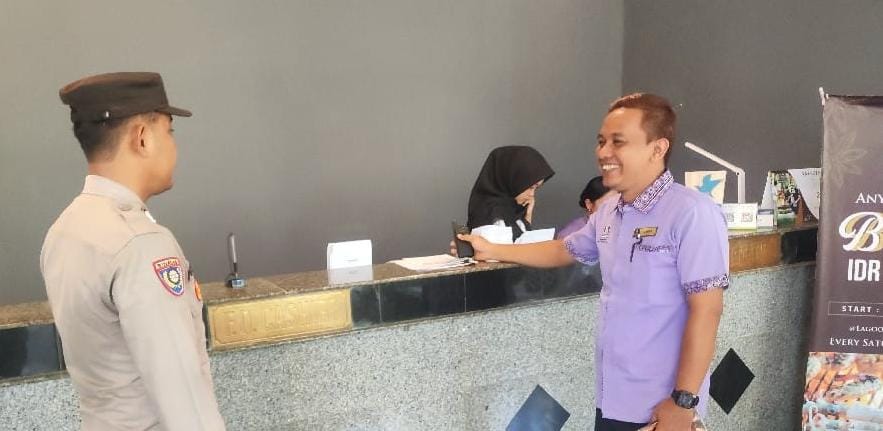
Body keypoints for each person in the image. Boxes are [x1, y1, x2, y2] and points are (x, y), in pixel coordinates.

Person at [456, 93, 728, 431]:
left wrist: (683, 402)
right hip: (613, 397)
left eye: (618, 142)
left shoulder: (693, 213)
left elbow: (707, 311)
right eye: (601, 141)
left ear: (657, 149)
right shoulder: (609, 210)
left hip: (664, 406)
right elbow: (564, 249)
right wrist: (492, 250)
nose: (603, 152)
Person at [40, 72, 226, 430]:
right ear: (142, 137)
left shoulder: (64, 230)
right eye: (169, 131)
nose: (174, 145)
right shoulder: (141, 244)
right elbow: (183, 399)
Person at [466, 146, 555, 241]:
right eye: (530, 187)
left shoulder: (512, 209)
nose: (532, 194)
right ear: (513, 179)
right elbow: (509, 249)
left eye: (536, 188)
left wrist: (528, 216)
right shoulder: (490, 214)